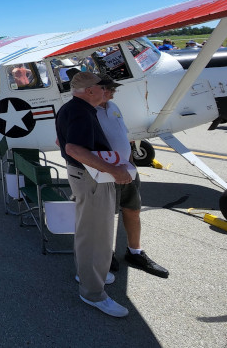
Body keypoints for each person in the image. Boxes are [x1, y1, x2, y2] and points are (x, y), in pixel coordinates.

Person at [55, 72, 133, 318]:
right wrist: (114, 171)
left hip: (84, 176)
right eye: (103, 87)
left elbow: (62, 143)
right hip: (92, 178)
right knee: (98, 235)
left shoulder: (74, 108)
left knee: (88, 230)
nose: (106, 91)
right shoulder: (81, 111)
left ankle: (88, 273)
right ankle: (93, 293)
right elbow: (72, 148)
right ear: (90, 90)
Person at [96, 79, 169, 278]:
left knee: (133, 210)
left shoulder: (113, 107)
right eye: (109, 89)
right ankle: (104, 253)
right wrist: (110, 169)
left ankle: (135, 252)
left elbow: (123, 135)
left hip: (127, 167)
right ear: (95, 90)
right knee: (104, 216)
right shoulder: (86, 112)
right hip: (105, 171)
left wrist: (129, 165)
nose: (113, 93)